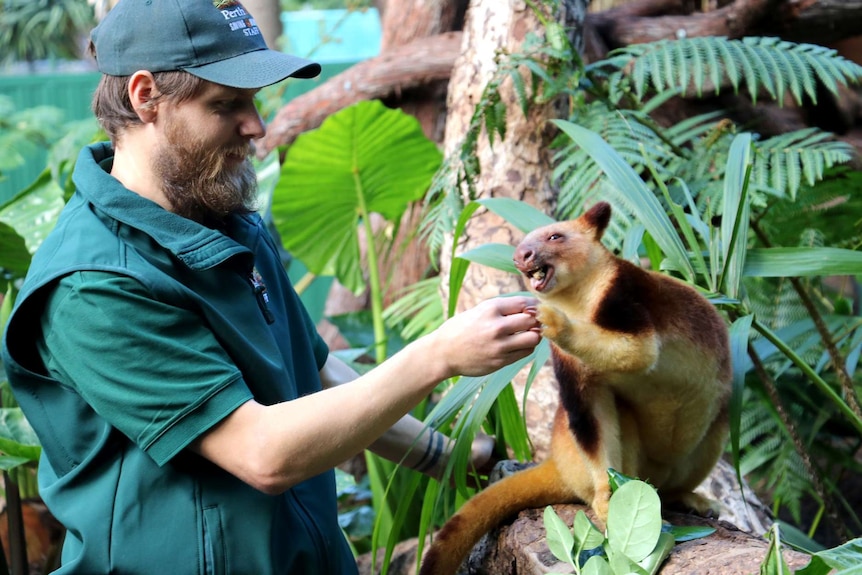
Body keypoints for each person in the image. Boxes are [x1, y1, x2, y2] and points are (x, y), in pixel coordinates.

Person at [0, 1, 542, 573]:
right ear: (145, 96)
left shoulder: (225, 221)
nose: (255, 125)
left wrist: (467, 459)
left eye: (253, 102)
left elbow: (317, 369)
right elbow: (264, 453)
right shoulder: (93, 284)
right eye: (226, 104)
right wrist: (440, 356)